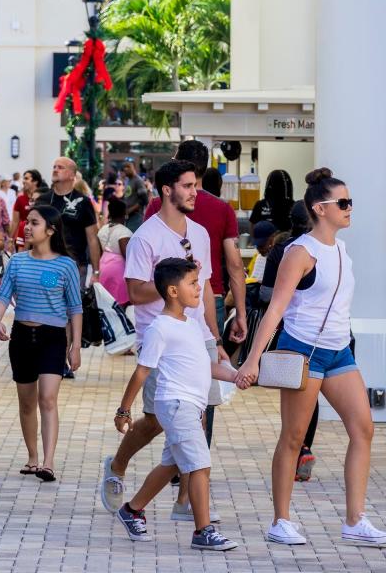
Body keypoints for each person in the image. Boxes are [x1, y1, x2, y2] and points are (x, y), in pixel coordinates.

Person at [236, 168, 386, 547]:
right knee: (294, 437)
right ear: (320, 208)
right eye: (343, 203)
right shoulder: (300, 252)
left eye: (350, 201)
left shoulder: (341, 249)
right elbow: (275, 310)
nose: (350, 208)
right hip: (303, 350)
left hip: (338, 352)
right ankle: (280, 520)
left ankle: (355, 520)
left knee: (363, 428)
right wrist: (253, 359)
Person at [100, 160, 231, 522]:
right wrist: (171, 291)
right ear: (167, 190)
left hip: (198, 336)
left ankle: (186, 505)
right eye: (188, 186)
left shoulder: (201, 234)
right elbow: (135, 292)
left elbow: (204, 288)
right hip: (160, 339)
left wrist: (214, 336)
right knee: (158, 420)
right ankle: (118, 463)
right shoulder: (146, 236)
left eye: (196, 185)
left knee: (198, 419)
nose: (194, 192)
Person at [113, 258, 239, 551]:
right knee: (199, 465)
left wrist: (236, 375)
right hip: (176, 404)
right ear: (172, 290)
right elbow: (142, 370)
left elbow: (207, 367)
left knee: (171, 465)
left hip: (190, 407)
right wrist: (124, 410)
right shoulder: (160, 328)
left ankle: (132, 511)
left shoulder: (191, 325)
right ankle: (203, 531)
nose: (199, 288)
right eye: (193, 283)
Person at [144, 140, 249, 441]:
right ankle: (196, 453)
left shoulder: (157, 205)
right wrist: (239, 312)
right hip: (209, 299)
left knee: (170, 379)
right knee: (202, 383)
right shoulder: (221, 208)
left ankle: (184, 456)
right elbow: (234, 265)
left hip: (169, 306)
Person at [0, 204, 82, 482]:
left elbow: (75, 308)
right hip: (21, 337)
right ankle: (32, 457)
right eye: (27, 222)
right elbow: (4, 294)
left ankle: (48, 461)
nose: (27, 227)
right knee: (27, 402)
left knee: (48, 398)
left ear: (51, 230)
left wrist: (75, 344)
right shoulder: (18, 261)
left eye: (35, 223)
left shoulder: (66, 265)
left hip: (52, 338)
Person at [258, 201, 325, 481]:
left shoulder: (282, 250)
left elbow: (266, 295)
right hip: (322, 335)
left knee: (295, 391)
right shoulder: (325, 251)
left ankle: (297, 449)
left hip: (287, 332)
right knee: (311, 392)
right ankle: (304, 446)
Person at [38, 157, 102, 284]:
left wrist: (96, 272)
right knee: (51, 301)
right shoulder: (43, 200)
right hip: (48, 265)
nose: (55, 170)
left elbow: (92, 238)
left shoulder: (83, 202)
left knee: (73, 303)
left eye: (60, 167)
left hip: (75, 266)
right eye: (54, 167)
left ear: (72, 175)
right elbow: (32, 233)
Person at [98, 198, 134, 306]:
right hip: (118, 271)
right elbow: (127, 255)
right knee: (121, 302)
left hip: (103, 267)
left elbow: (99, 251)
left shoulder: (102, 229)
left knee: (106, 300)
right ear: (124, 213)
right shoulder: (124, 231)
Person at [10, 169, 43, 239]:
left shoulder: (44, 198)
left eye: (26, 178)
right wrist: (10, 239)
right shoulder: (20, 199)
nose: (23, 181)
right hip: (23, 236)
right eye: (23, 178)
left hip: (39, 237)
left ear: (35, 181)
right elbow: (15, 221)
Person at [121, 162, 149, 232]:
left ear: (134, 168)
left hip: (136, 216)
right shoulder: (128, 180)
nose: (126, 169)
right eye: (124, 167)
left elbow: (144, 200)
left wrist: (130, 210)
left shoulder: (138, 180)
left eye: (128, 167)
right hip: (129, 216)